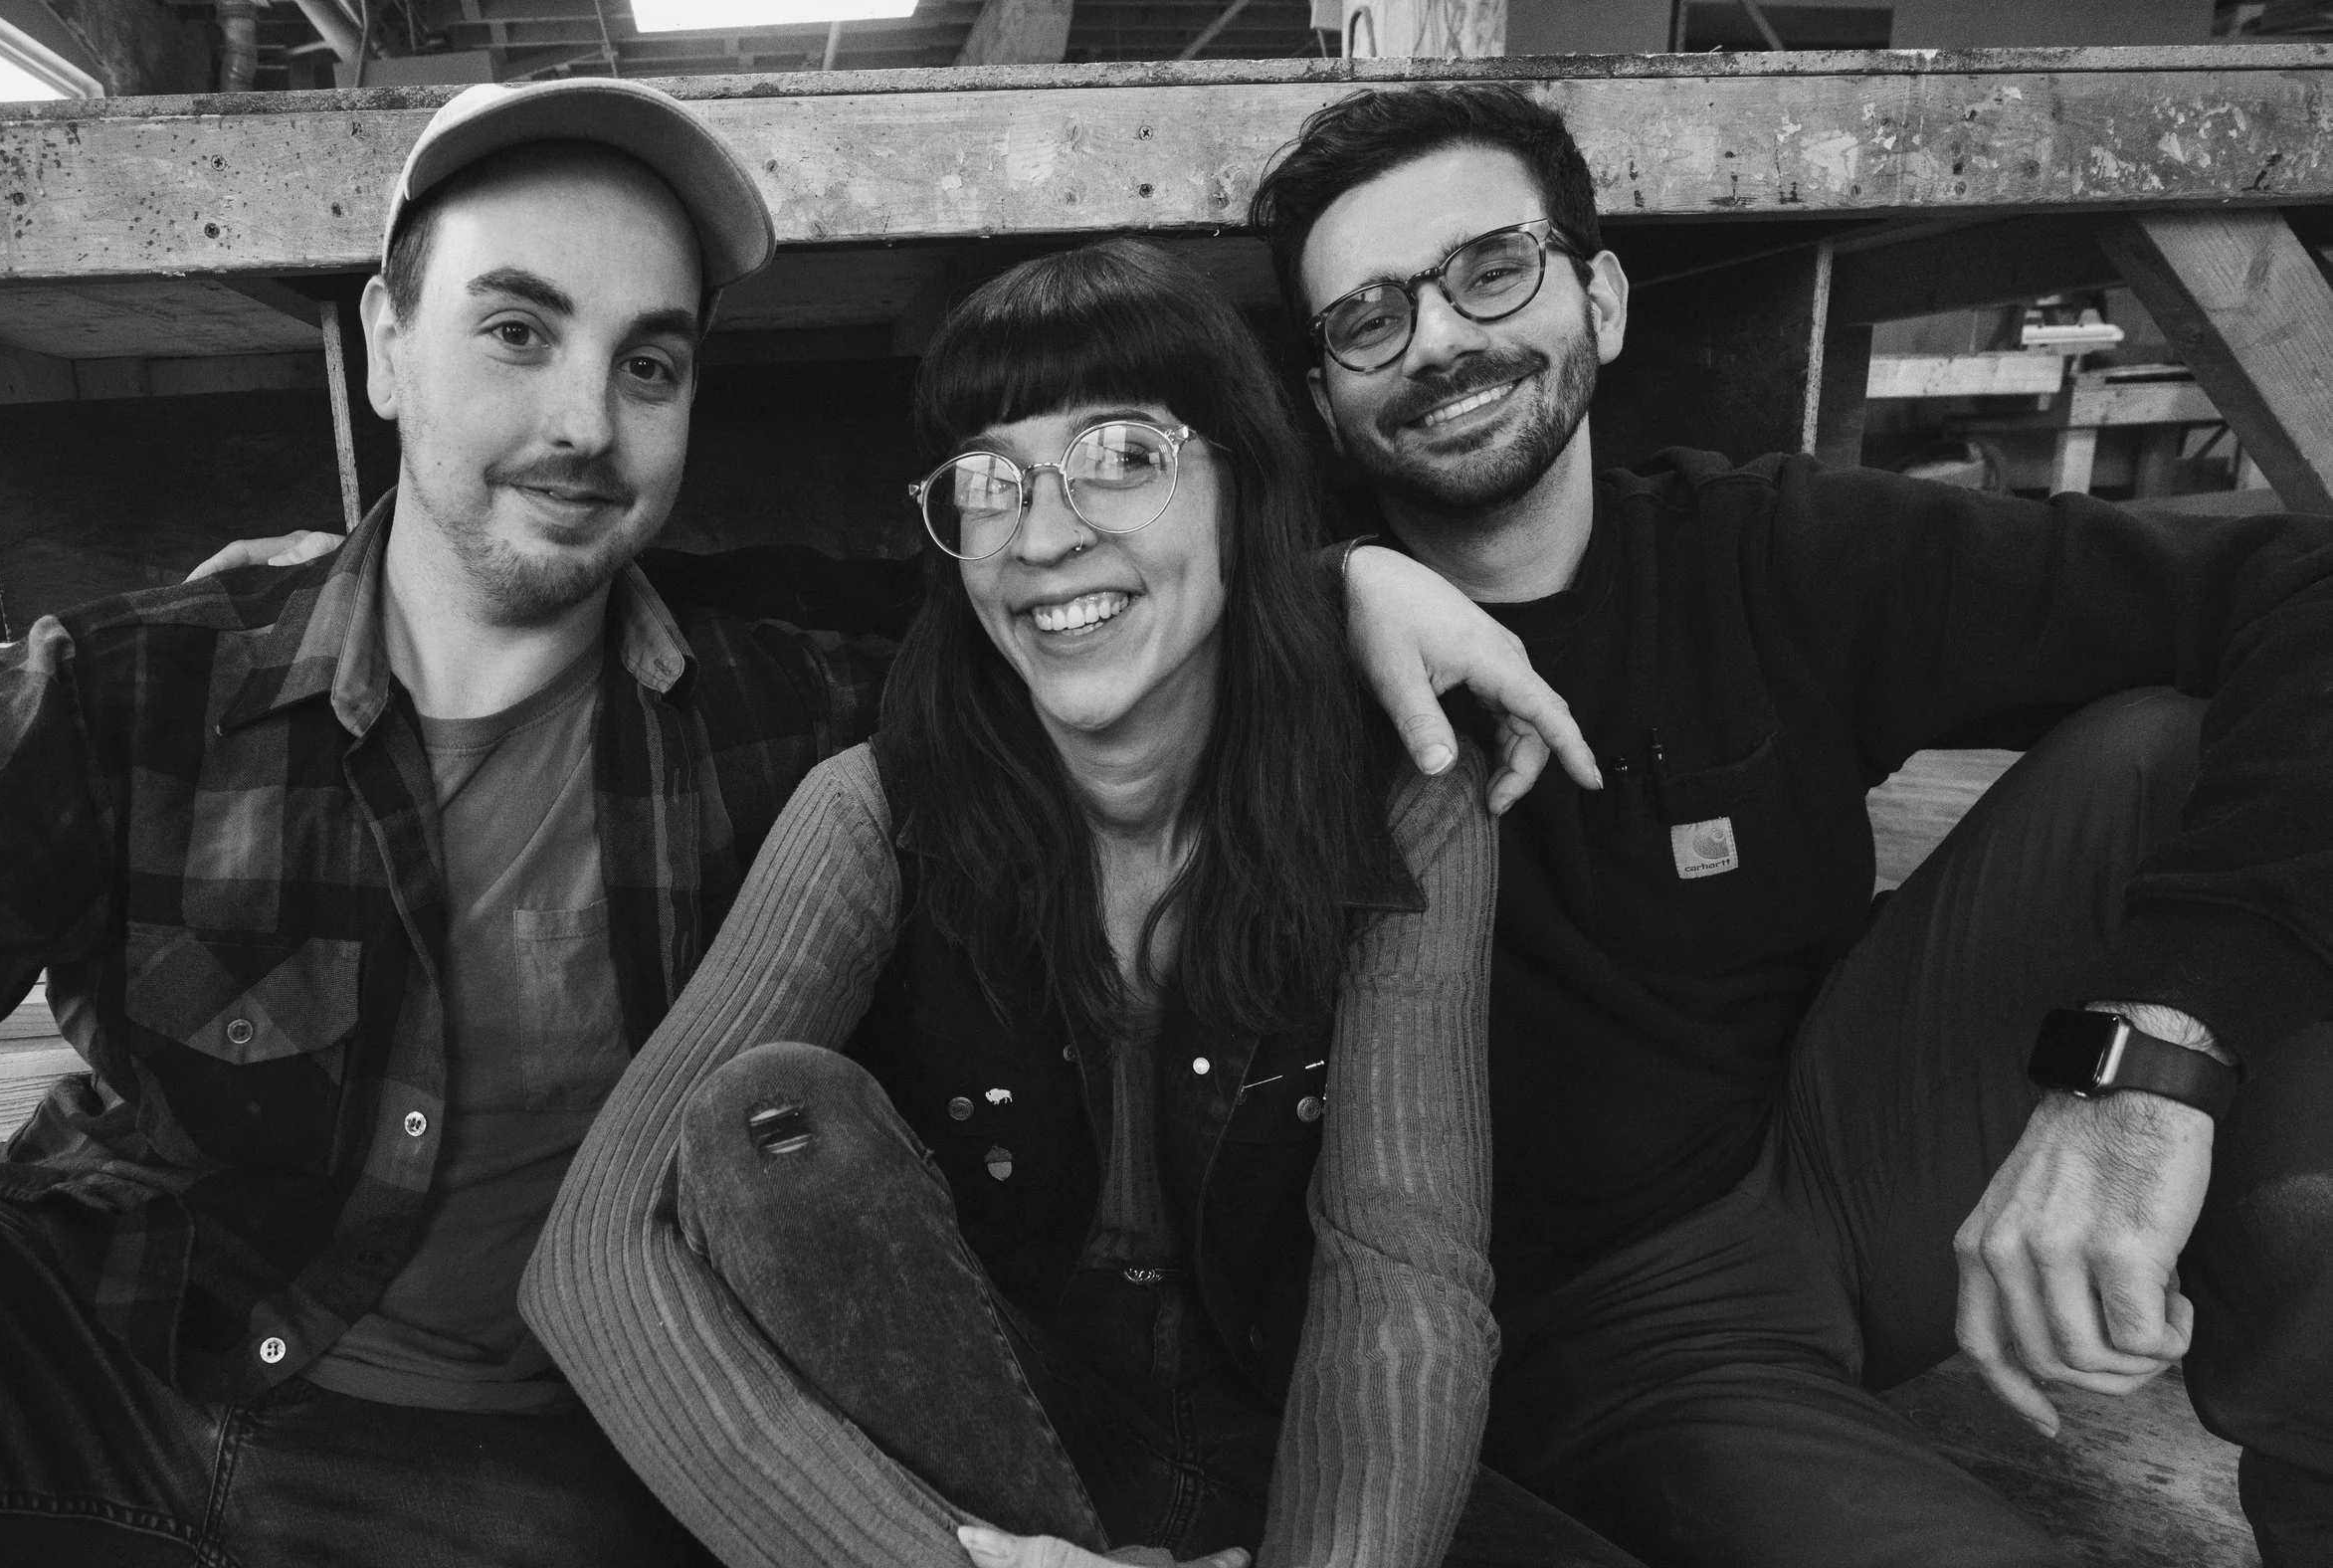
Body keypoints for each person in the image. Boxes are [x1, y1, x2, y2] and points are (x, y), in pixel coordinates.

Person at [0, 79, 1590, 1567]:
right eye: (515, 331)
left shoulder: (790, 704)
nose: (582, 420)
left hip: (516, 1472)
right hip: (107, 1344)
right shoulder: (138, 686)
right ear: (384, 343)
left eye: (651, 363)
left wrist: (1338, 581)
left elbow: (1084, 622)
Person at [1247, 82, 2333, 1568]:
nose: (1436, 339)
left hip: (1854, 1146)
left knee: (2174, 751)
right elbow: (1014, 618)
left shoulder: (1771, 551)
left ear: (1599, 299)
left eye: (1491, 269)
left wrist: (2149, 1067)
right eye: (1369, 320)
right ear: (1323, 399)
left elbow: (2304, 594)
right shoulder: (1270, 644)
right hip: (1623, 1322)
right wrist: (1318, 585)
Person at [520, 238, 1635, 1568]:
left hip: (1291, 1431)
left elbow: (1399, 1269)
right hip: (978, 1430)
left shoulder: (1403, 792)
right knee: (774, 1126)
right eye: (989, 482)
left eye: (1122, 456)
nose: (1044, 537)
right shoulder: (872, 812)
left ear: (1241, 487)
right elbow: (594, 1254)